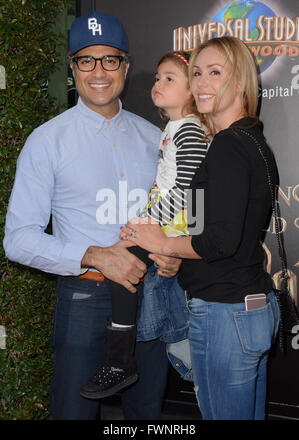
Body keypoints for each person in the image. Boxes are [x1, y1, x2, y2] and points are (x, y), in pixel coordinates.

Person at [3, 11, 182, 420]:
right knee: (74, 412)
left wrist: (174, 253)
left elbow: (179, 214)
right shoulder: (46, 141)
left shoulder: (156, 138)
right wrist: (97, 255)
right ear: (72, 66)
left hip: (150, 297)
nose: (98, 71)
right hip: (84, 299)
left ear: (126, 65)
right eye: (86, 60)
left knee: (147, 414)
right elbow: (18, 239)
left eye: (110, 59)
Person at [121, 36, 280, 420]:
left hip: (224, 314)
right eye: (195, 73)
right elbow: (208, 228)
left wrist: (163, 242)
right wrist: (174, 252)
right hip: (249, 306)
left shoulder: (227, 145)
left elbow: (218, 241)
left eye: (214, 73)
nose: (201, 83)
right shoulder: (252, 140)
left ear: (240, 81)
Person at [79, 50, 209, 400]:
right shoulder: (173, 129)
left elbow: (188, 189)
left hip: (178, 225)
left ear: (193, 90)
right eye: (157, 77)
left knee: (122, 264)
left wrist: (154, 225)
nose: (158, 84)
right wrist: (142, 219)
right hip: (169, 222)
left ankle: (122, 361)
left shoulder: (190, 132)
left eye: (170, 79)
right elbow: (166, 185)